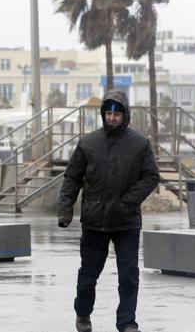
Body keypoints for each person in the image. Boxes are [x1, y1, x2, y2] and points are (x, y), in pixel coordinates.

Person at [56, 90, 159, 332]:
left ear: (125, 115)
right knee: (88, 277)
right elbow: (72, 177)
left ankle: (127, 323)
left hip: (126, 222)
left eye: (117, 113)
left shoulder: (140, 144)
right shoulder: (88, 143)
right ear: (103, 114)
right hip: (94, 222)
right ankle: (82, 315)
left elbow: (150, 177)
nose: (112, 117)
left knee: (129, 277)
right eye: (108, 112)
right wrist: (65, 210)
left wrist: (127, 203)